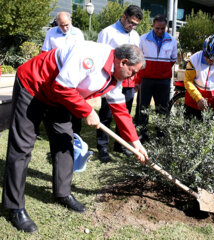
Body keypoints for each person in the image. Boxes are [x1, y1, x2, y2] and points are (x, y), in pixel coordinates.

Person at [2, 42, 149, 233]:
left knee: (65, 142)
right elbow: (62, 86)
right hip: (34, 85)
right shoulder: (88, 56)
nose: (134, 76)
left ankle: (63, 193)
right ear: (123, 62)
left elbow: (120, 110)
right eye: (133, 71)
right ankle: (15, 207)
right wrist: (87, 111)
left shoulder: (116, 76)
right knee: (22, 146)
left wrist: (135, 143)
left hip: (60, 96)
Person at [96, 5, 143, 162]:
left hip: (129, 82)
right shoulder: (107, 32)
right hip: (110, 81)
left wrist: (136, 80)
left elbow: (136, 60)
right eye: (130, 22)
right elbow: (100, 56)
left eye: (135, 24)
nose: (132, 26)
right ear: (123, 17)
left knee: (125, 113)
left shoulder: (136, 35)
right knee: (107, 115)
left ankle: (120, 145)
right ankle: (102, 147)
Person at [41, 11, 85, 135]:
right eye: (61, 25)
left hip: (74, 73)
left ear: (70, 21)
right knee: (57, 101)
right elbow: (44, 53)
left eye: (66, 24)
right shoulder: (51, 32)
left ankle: (76, 131)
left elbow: (82, 53)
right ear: (57, 23)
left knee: (75, 100)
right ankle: (57, 126)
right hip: (56, 72)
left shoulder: (78, 33)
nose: (64, 28)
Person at [137, 14, 177, 139]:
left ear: (166, 27)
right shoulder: (143, 39)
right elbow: (139, 59)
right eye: (157, 28)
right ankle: (143, 134)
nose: (160, 31)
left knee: (162, 108)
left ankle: (161, 134)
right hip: (146, 79)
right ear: (153, 25)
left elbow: (173, 60)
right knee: (143, 107)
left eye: (162, 28)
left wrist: (162, 70)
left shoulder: (172, 40)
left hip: (164, 80)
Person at [184, 34, 214, 119]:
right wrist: (198, 98)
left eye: (213, 59)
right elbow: (188, 81)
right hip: (192, 100)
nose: (208, 60)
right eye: (206, 56)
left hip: (213, 103)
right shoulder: (194, 59)